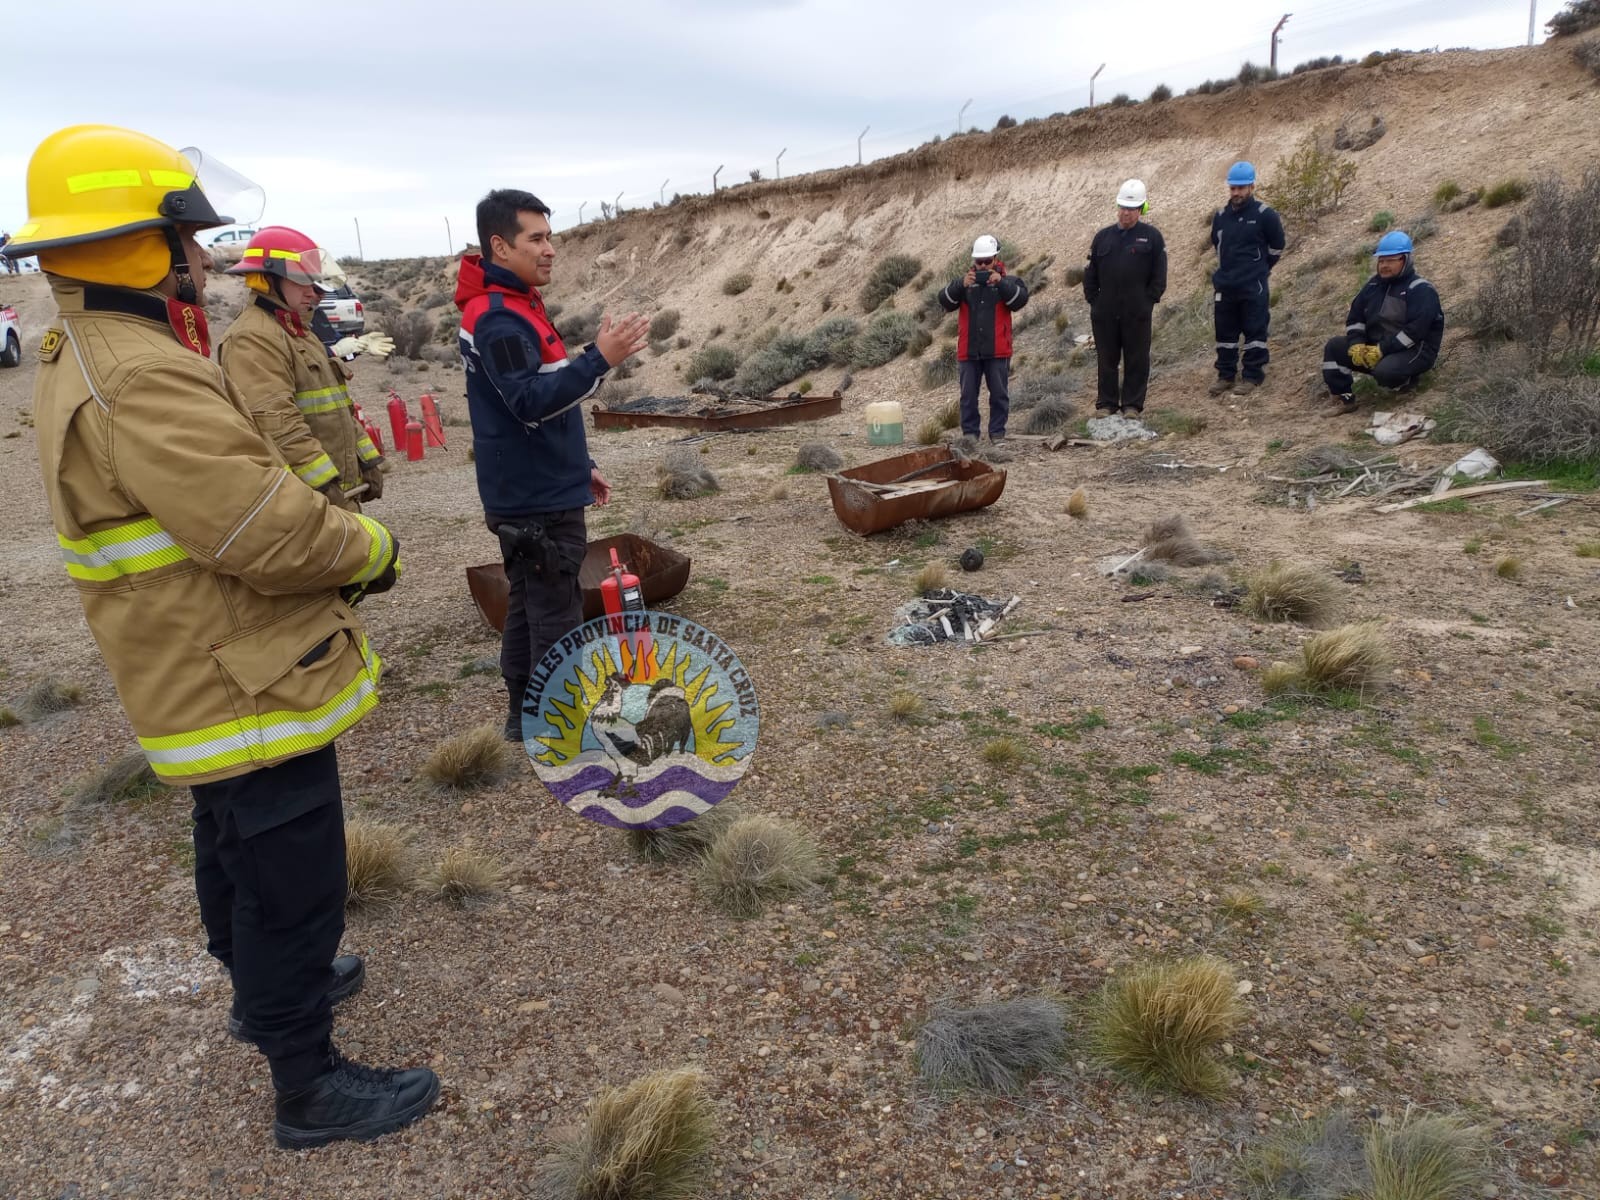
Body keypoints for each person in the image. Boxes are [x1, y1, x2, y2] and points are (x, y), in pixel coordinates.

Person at [2, 124, 435, 1150]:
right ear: (136, 247)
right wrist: (367, 544)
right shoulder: (142, 373)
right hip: (237, 672)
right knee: (292, 881)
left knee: (238, 848)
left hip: (199, 666)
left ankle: (262, 997)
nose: (202, 260)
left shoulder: (89, 348)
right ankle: (307, 1084)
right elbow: (258, 525)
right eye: (185, 241)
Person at [454, 189, 649, 742]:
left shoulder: (515, 305)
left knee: (528, 600)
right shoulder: (496, 318)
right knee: (555, 609)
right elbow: (529, 402)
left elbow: (540, 403)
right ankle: (562, 725)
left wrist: (579, 464)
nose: (550, 250)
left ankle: (525, 715)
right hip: (534, 496)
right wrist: (600, 358)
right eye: (535, 239)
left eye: (549, 236)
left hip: (539, 482)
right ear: (499, 246)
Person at [218, 226, 385, 509]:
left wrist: (367, 462)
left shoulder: (301, 333)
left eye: (315, 281)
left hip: (337, 499)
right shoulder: (252, 338)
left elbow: (340, 409)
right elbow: (279, 426)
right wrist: (322, 487)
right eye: (301, 280)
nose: (314, 293)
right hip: (306, 506)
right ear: (268, 280)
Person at [1319, 230, 1444, 417]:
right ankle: (1344, 398)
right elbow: (1355, 318)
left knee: (1385, 372)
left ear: (1405, 259)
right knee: (1334, 347)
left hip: (1415, 350)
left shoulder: (1421, 290)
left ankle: (1408, 381)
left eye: (1390, 260)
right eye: (1381, 260)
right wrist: (1357, 344)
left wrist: (1381, 350)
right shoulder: (1372, 286)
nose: (1384, 265)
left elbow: (1414, 332)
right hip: (1378, 348)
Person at [1083, 179, 1167, 416]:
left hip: (1137, 311)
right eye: (1122, 207)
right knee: (1107, 359)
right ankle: (1107, 403)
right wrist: (1094, 301)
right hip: (1105, 311)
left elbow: (1159, 275)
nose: (1126, 213)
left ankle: (1132, 404)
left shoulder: (1152, 238)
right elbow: (1090, 273)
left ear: (1141, 209)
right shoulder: (1102, 237)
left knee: (1137, 358)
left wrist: (1148, 301)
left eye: (1131, 208)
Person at [936, 235, 1030, 441]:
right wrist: (961, 285)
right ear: (974, 262)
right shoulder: (964, 283)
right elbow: (944, 301)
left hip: (998, 349)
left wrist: (1001, 283)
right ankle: (970, 435)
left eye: (988, 261)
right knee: (968, 396)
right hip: (968, 350)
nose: (984, 265)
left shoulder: (1009, 281)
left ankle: (997, 433)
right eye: (980, 262)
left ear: (996, 259)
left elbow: (1020, 300)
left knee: (999, 395)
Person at [1208, 161, 1286, 396]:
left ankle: (1252, 376)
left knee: (1255, 330)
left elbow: (1277, 247)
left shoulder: (1265, 215)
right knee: (1225, 333)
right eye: (1233, 188)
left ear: (1251, 187)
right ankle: (1226, 375)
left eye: (1241, 188)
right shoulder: (1221, 216)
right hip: (1226, 285)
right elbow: (1217, 245)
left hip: (1254, 285)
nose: (1236, 193)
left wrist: (1259, 269)